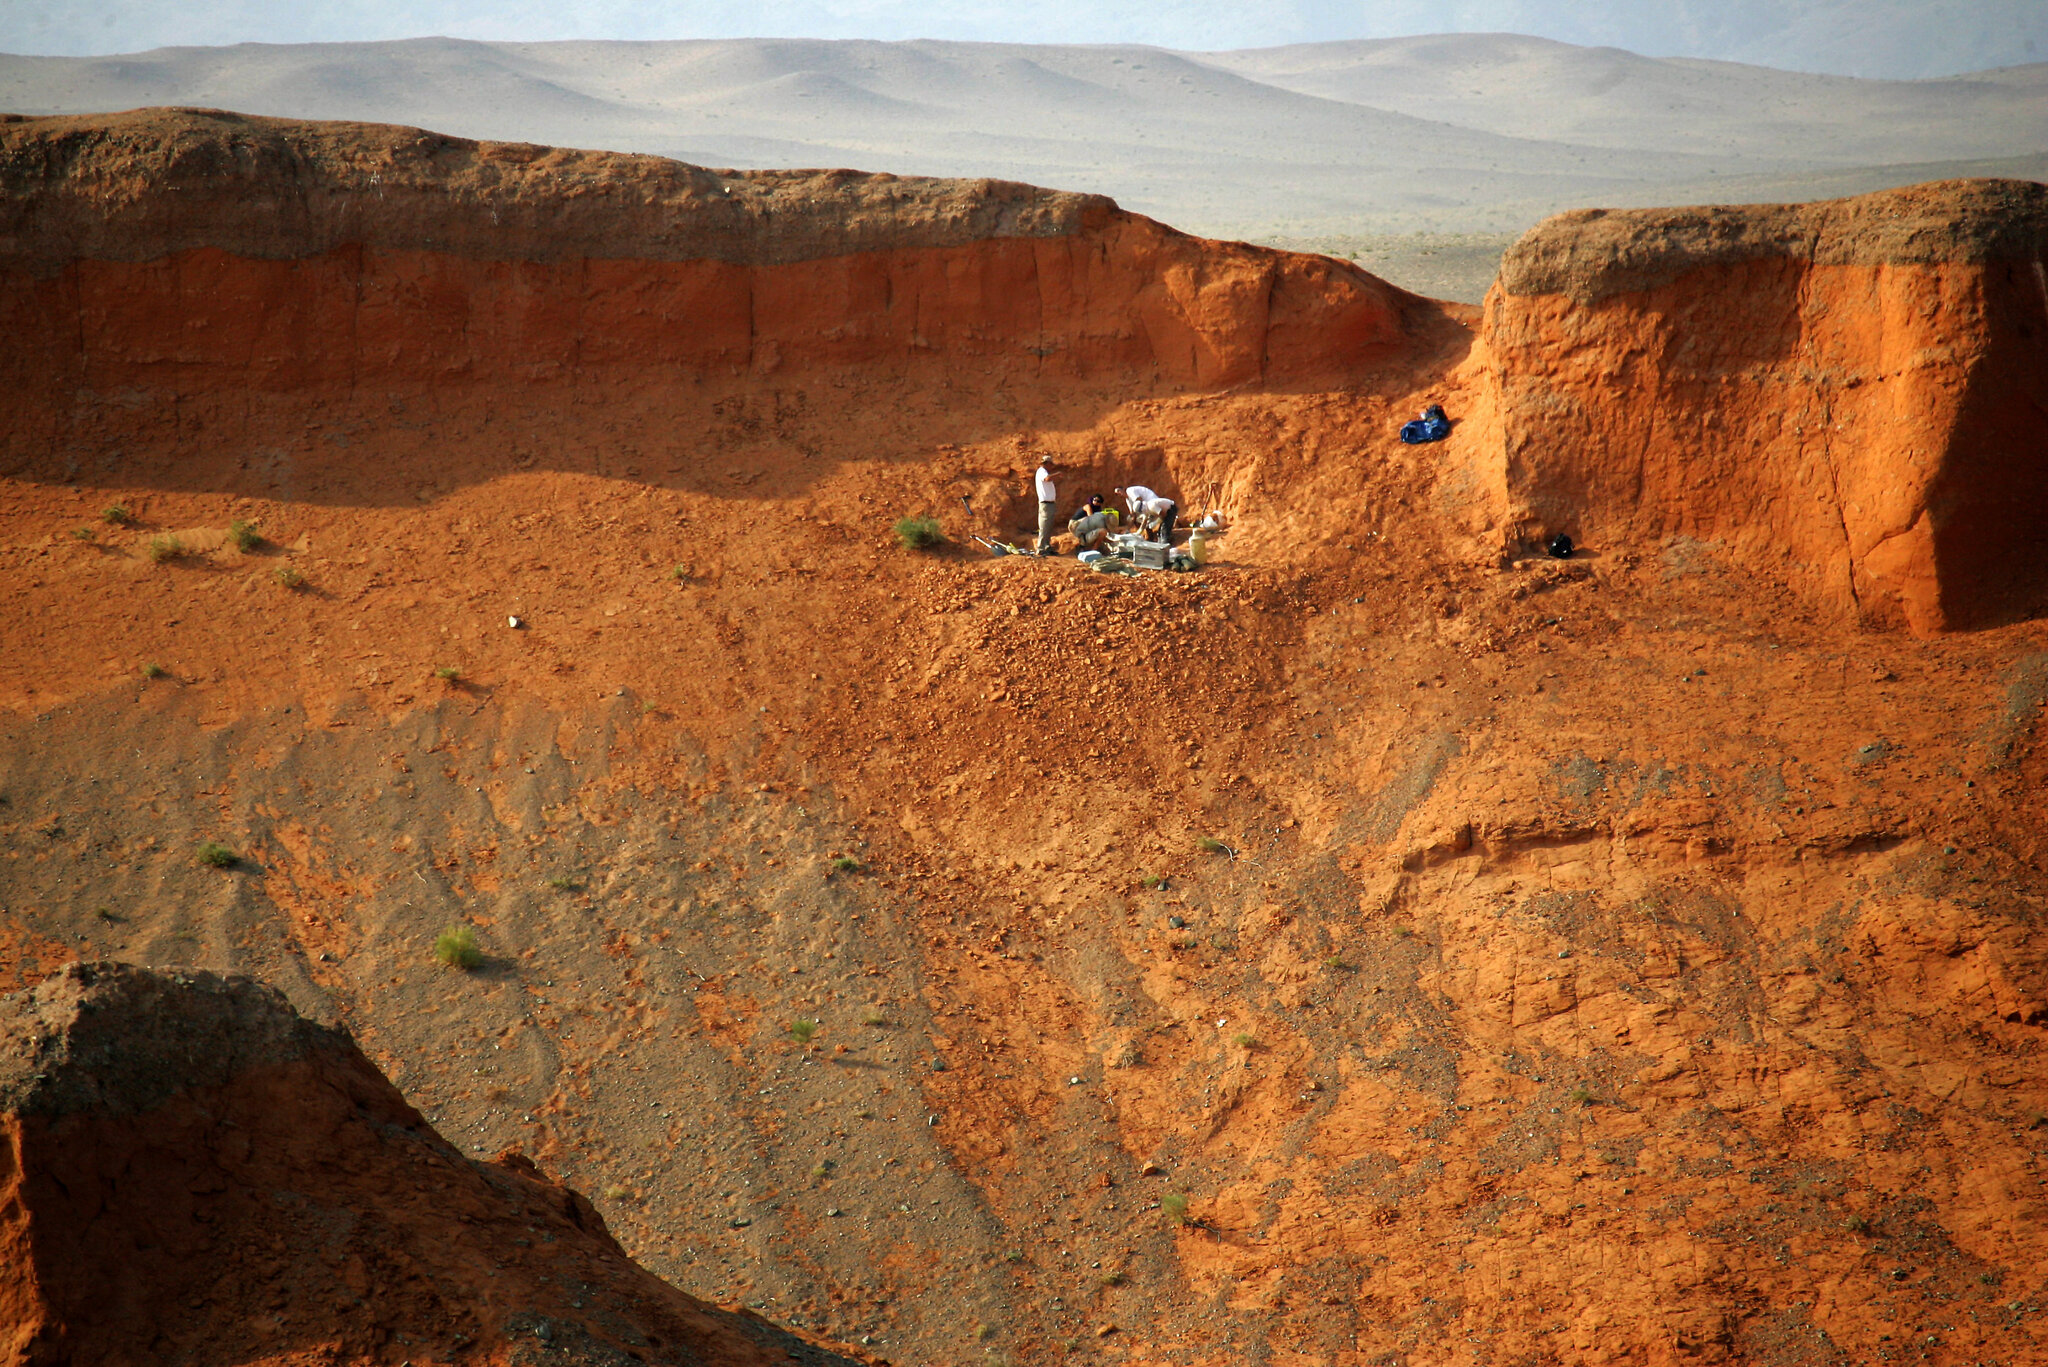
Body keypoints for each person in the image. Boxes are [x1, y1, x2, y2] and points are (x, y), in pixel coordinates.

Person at [1033, 459, 1059, 554]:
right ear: (1046, 463)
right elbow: (1047, 479)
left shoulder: (1043, 472)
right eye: (1050, 464)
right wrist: (1057, 474)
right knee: (1045, 526)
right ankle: (1040, 548)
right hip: (1046, 503)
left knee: (1048, 526)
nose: (1051, 466)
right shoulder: (1042, 471)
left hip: (1049, 503)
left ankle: (1047, 547)